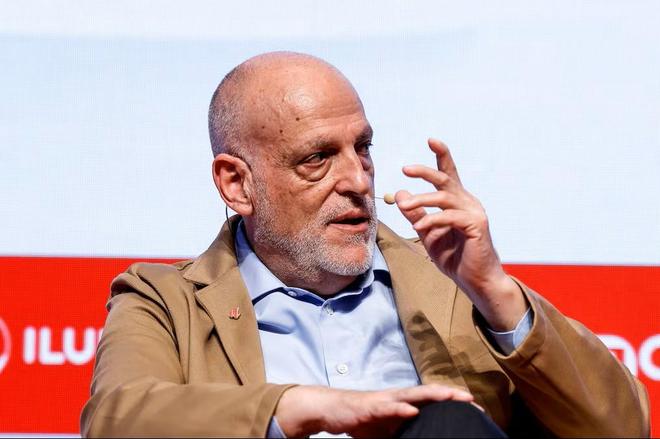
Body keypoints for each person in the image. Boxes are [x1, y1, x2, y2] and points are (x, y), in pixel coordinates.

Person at [80, 51, 649, 437]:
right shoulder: (165, 300)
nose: (357, 179)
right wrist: (308, 407)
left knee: (446, 424)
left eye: (364, 148)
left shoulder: (452, 285)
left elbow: (622, 427)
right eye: (318, 158)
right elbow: (115, 421)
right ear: (237, 184)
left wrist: (495, 290)